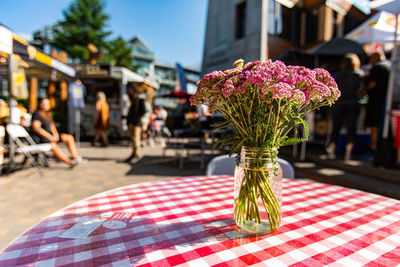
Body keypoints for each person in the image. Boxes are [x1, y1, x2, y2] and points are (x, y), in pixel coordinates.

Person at [327, 53, 364, 160]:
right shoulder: (359, 75)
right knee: (351, 129)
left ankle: (332, 151)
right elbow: (361, 90)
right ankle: (348, 153)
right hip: (352, 104)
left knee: (335, 127)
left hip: (338, 104)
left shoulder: (338, 75)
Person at [31, 98, 86, 168]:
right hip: (43, 138)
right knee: (53, 146)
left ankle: (76, 158)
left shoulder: (48, 114)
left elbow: (52, 126)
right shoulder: (37, 114)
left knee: (69, 138)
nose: (45, 106)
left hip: (51, 136)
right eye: (43, 104)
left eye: (47, 104)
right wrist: (49, 137)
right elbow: (37, 128)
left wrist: (55, 135)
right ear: (40, 105)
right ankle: (69, 162)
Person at [364, 51, 391, 152]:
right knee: (381, 124)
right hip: (386, 100)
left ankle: (373, 147)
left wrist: (364, 89)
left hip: (375, 100)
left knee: (374, 125)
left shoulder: (378, 67)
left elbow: (372, 84)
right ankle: (378, 148)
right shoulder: (390, 66)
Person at [124, 88, 145, 162]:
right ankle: (133, 153)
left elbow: (143, 111)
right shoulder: (132, 100)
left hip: (136, 123)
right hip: (131, 123)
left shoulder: (140, 100)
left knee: (136, 138)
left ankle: (136, 153)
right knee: (133, 139)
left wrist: (137, 118)